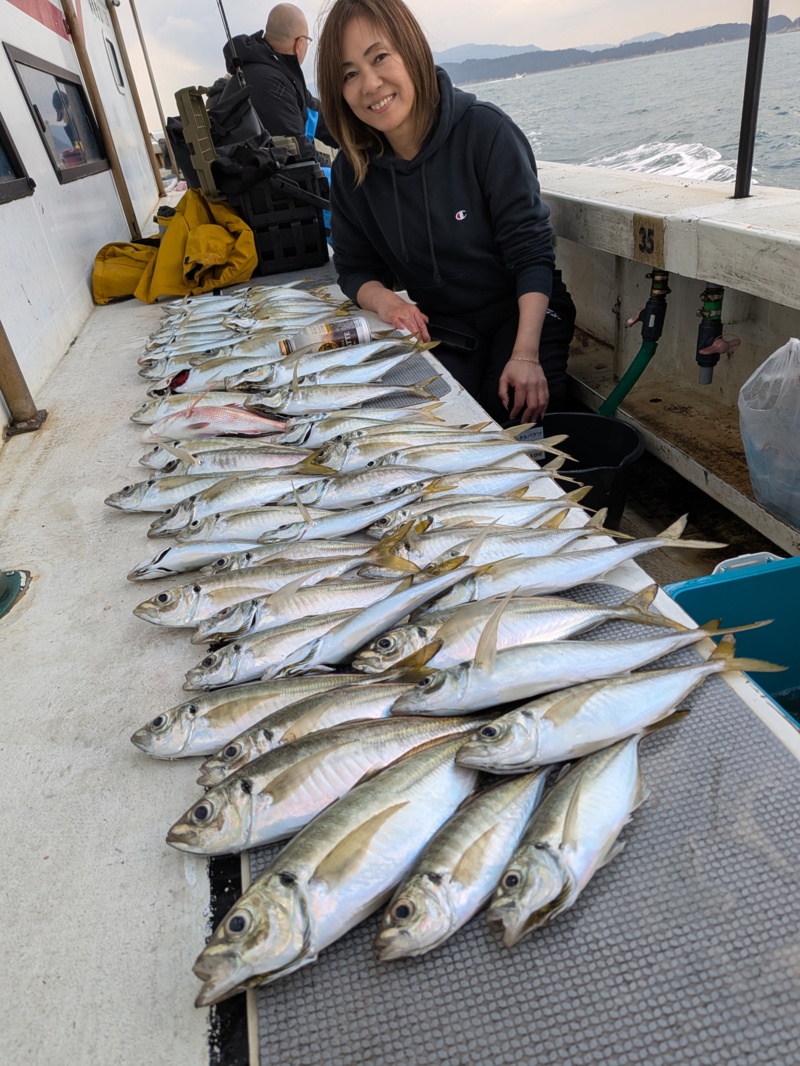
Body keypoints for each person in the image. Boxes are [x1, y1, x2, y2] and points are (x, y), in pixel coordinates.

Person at [316, 0, 575, 424]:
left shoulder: (485, 132)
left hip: (525, 309)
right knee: (426, 419)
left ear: (411, 50)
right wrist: (388, 304)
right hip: (447, 323)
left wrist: (526, 354)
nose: (370, 84)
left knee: (511, 414)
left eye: (379, 57)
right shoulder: (351, 170)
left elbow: (532, 253)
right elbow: (352, 269)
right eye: (349, 74)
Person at [224, 3, 337, 162]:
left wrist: (358, 140)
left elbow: (315, 115)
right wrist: (342, 178)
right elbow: (301, 155)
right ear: (299, 44)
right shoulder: (273, 85)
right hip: (267, 181)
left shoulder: (279, 75)